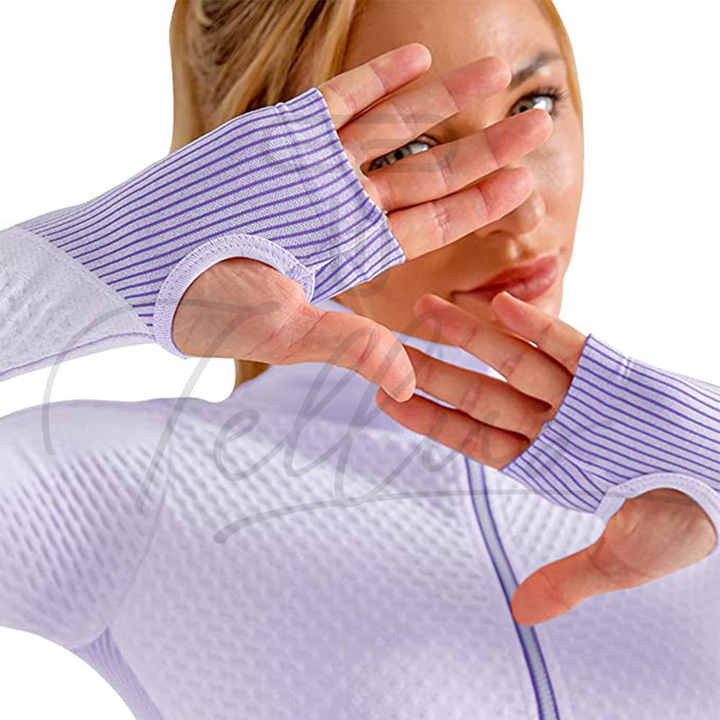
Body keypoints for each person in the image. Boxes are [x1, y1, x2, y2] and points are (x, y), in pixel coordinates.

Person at [1, 1, 719, 718]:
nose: (521, 212)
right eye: (408, 149)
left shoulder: (682, 482)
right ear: (255, 179)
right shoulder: (141, 492)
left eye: (535, 103)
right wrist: (102, 264)